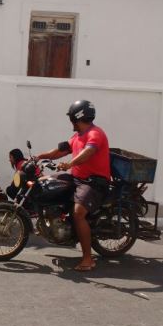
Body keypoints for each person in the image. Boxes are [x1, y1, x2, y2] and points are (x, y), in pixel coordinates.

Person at [36, 100, 110, 272]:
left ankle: (88, 259)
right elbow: (60, 151)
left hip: (94, 182)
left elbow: (88, 152)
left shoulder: (95, 134)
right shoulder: (77, 136)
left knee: (78, 213)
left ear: (77, 117)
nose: (70, 122)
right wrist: (39, 156)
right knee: (46, 182)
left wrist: (70, 164)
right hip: (77, 179)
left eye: (71, 118)